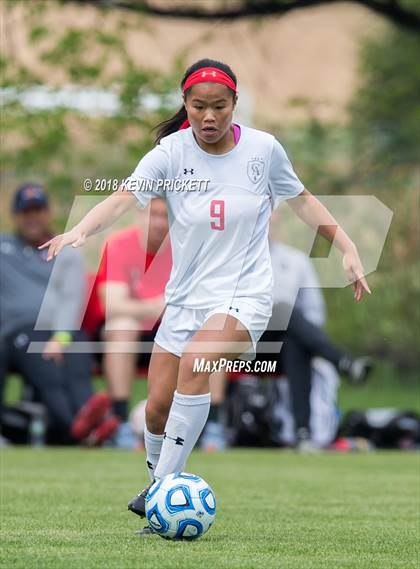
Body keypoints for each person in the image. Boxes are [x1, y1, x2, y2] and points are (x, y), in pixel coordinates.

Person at [40, 58, 371, 534]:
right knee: (155, 408)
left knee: (199, 362)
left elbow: (302, 199)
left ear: (235, 104)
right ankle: (159, 485)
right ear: (185, 105)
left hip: (246, 296)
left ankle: (162, 493)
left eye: (219, 106)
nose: (209, 116)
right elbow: (120, 198)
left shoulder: (264, 151)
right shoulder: (169, 155)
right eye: (198, 107)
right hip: (185, 300)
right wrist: (79, 230)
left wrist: (348, 246)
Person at [0, 183, 93, 444]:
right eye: (26, 211)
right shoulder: (3, 248)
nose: (32, 217)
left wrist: (61, 337)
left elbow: (72, 297)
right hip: (18, 330)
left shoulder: (67, 250)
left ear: (48, 213)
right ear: (15, 216)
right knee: (49, 374)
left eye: (38, 210)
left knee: (76, 367)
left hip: (62, 330)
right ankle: (78, 428)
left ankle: (90, 422)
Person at [264, 237, 372, 452]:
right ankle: (343, 362)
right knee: (281, 308)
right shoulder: (233, 255)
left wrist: (305, 335)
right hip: (243, 343)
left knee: (294, 342)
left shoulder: (295, 260)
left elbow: (314, 312)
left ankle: (303, 433)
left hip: (282, 344)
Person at [81, 198, 171, 448]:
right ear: (139, 215)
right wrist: (155, 307)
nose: (160, 223)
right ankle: (120, 421)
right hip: (130, 334)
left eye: (166, 216)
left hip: (171, 330)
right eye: (154, 215)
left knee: (207, 332)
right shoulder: (120, 245)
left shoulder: (186, 246)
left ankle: (210, 426)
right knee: (122, 326)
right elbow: (112, 304)